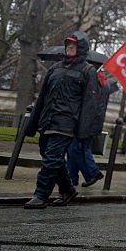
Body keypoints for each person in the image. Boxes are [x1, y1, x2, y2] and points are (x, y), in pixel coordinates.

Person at [23, 32, 104, 209]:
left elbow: (90, 104)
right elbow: (42, 97)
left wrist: (84, 131)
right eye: (68, 45)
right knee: (51, 157)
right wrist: (33, 124)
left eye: (74, 45)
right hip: (47, 121)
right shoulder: (55, 69)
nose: (70, 47)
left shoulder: (87, 71)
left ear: (81, 48)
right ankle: (67, 189)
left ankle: (40, 194)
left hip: (66, 124)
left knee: (51, 159)